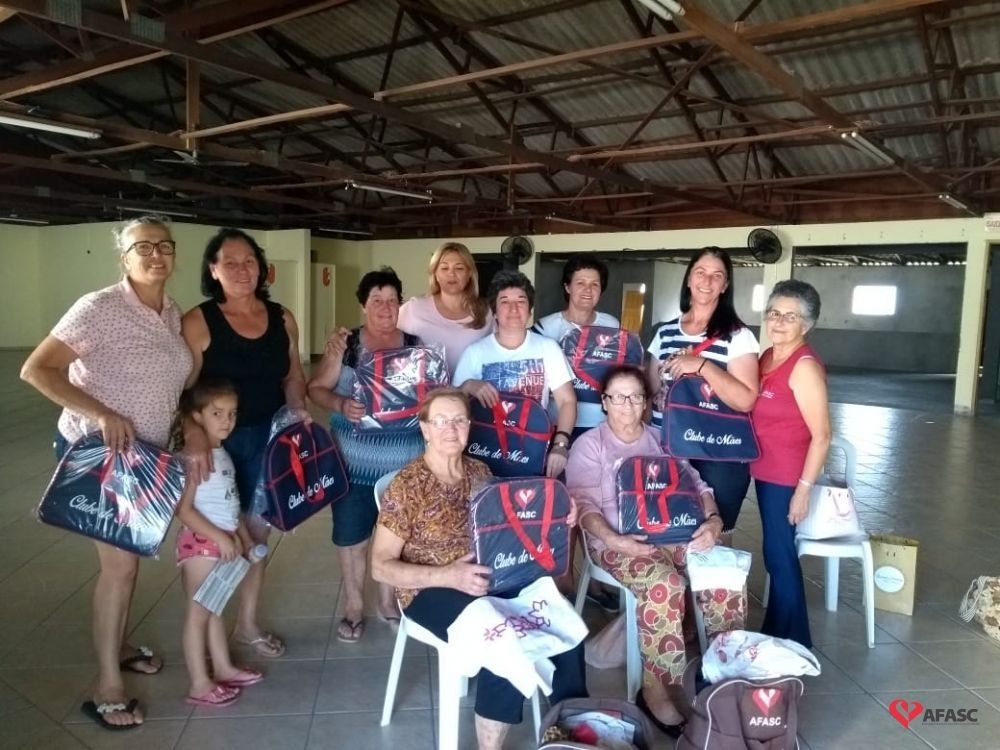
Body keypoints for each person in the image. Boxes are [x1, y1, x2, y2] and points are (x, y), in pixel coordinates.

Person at [20, 216, 192, 729]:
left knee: (128, 561)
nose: (156, 254)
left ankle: (117, 646)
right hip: (100, 455)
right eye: (143, 247)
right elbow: (37, 369)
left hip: (144, 458)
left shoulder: (170, 311)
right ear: (124, 258)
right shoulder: (98, 307)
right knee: (120, 568)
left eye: (164, 246)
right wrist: (101, 414)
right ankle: (107, 685)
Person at [371, 388, 588, 750]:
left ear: (470, 427)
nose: (450, 429)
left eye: (459, 420)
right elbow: (380, 567)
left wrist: (559, 517)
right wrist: (448, 575)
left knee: (562, 621)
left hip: (489, 578)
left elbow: (510, 527)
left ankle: (569, 732)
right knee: (503, 639)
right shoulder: (407, 487)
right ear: (425, 429)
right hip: (429, 590)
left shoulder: (479, 471)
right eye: (441, 421)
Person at [566, 365, 741, 736]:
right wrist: (615, 540)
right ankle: (655, 689)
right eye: (618, 397)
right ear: (604, 402)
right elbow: (583, 506)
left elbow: (697, 485)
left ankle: (723, 674)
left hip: (673, 534)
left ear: (646, 402)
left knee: (722, 570)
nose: (627, 405)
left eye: (636, 396)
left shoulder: (662, 439)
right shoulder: (590, 445)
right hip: (616, 542)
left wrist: (712, 521)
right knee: (666, 584)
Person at [182, 227, 308, 658]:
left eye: (249, 261)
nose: (241, 269)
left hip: (269, 442)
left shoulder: (282, 317)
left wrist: (297, 412)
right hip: (216, 447)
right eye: (230, 262)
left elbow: (293, 376)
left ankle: (246, 624)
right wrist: (194, 434)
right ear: (213, 270)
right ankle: (207, 635)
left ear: (262, 268)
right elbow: (182, 390)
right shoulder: (199, 321)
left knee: (256, 537)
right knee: (214, 539)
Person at [306, 267, 425, 643]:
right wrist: (341, 404)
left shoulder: (415, 345)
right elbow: (316, 388)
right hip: (353, 465)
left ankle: (387, 601)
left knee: (396, 538)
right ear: (363, 305)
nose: (385, 308)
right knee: (351, 536)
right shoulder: (347, 345)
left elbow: (429, 394)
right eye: (377, 300)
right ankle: (354, 605)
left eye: (392, 300)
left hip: (403, 467)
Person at [646, 247, 759, 538]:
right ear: (688, 279)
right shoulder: (664, 333)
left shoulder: (739, 336)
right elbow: (650, 393)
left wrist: (701, 365)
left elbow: (746, 399)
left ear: (725, 285)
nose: (707, 281)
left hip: (717, 452)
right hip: (668, 446)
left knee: (715, 538)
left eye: (716, 275)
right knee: (667, 534)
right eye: (700, 272)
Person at [171, 378, 263, 708]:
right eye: (217, 413)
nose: (227, 421)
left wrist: (243, 537)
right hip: (201, 546)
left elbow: (229, 504)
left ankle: (223, 668)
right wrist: (220, 537)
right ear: (196, 416)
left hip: (221, 543)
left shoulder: (221, 453)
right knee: (198, 614)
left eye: (232, 413)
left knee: (214, 610)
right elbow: (183, 510)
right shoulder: (194, 457)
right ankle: (199, 683)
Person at [751, 280, 830, 649]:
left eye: (790, 316)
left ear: (807, 324)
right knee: (774, 552)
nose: (779, 321)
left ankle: (795, 641)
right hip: (764, 470)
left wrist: (803, 489)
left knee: (780, 555)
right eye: (774, 313)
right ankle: (777, 630)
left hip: (786, 476)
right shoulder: (767, 356)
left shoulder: (804, 367)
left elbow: (822, 435)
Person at [453, 270, 577, 478]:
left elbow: (567, 401)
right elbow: (450, 403)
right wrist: (467, 386)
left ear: (529, 310)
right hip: (483, 454)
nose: (513, 309)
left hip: (533, 452)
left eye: (521, 301)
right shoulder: (475, 352)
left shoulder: (548, 348)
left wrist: (560, 444)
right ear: (494, 311)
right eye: (504, 302)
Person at [532, 254, 619, 438]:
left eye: (595, 284)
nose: (588, 290)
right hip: (555, 422)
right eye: (580, 283)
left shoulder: (612, 325)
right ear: (567, 287)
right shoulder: (545, 328)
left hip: (601, 423)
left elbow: (620, 371)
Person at [397, 241, 493, 373]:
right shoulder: (414, 308)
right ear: (435, 274)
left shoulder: (485, 312)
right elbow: (387, 338)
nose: (451, 274)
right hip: (426, 386)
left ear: (469, 274)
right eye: (444, 268)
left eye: (459, 268)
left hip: (473, 386)